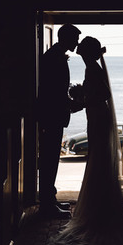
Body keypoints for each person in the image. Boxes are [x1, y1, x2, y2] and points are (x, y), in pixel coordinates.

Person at [44, 37, 123, 245]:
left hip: (97, 117)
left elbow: (103, 95)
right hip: (95, 116)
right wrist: (84, 98)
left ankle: (99, 211)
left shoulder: (92, 68)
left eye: (81, 48)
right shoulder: (91, 67)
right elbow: (98, 95)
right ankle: (101, 207)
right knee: (97, 160)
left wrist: (82, 99)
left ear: (86, 53)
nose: (78, 49)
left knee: (98, 160)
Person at [38, 23, 82, 218]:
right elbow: (52, 92)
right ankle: (46, 206)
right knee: (48, 161)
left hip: (54, 116)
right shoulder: (53, 58)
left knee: (52, 160)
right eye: (75, 39)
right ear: (66, 38)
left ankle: (50, 200)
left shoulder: (55, 55)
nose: (77, 42)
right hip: (51, 117)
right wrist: (71, 104)